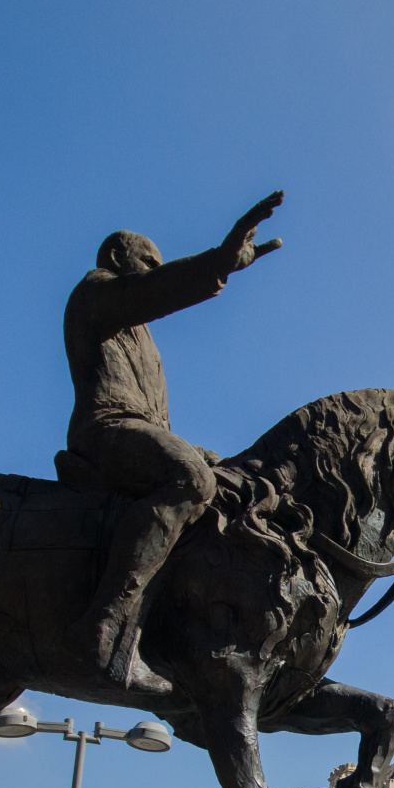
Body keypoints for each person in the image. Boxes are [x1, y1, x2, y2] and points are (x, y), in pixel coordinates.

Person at [62, 191, 285, 694]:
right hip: (105, 430)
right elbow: (152, 292)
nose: (153, 271)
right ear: (119, 258)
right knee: (189, 478)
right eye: (147, 263)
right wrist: (219, 263)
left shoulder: (142, 336)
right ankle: (106, 622)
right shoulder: (97, 292)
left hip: (138, 431)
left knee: (222, 479)